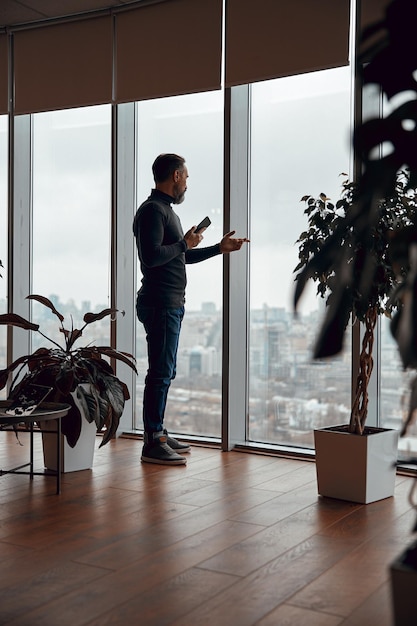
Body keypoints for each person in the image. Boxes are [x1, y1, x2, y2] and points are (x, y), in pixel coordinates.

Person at [133, 153, 249, 466]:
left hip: (169, 303)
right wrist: (184, 244)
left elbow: (177, 257)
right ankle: (152, 441)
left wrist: (217, 249)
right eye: (185, 176)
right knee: (160, 373)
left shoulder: (165, 211)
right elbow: (151, 257)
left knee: (165, 372)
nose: (187, 182)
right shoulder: (152, 211)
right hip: (160, 303)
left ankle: (157, 432)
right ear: (175, 176)